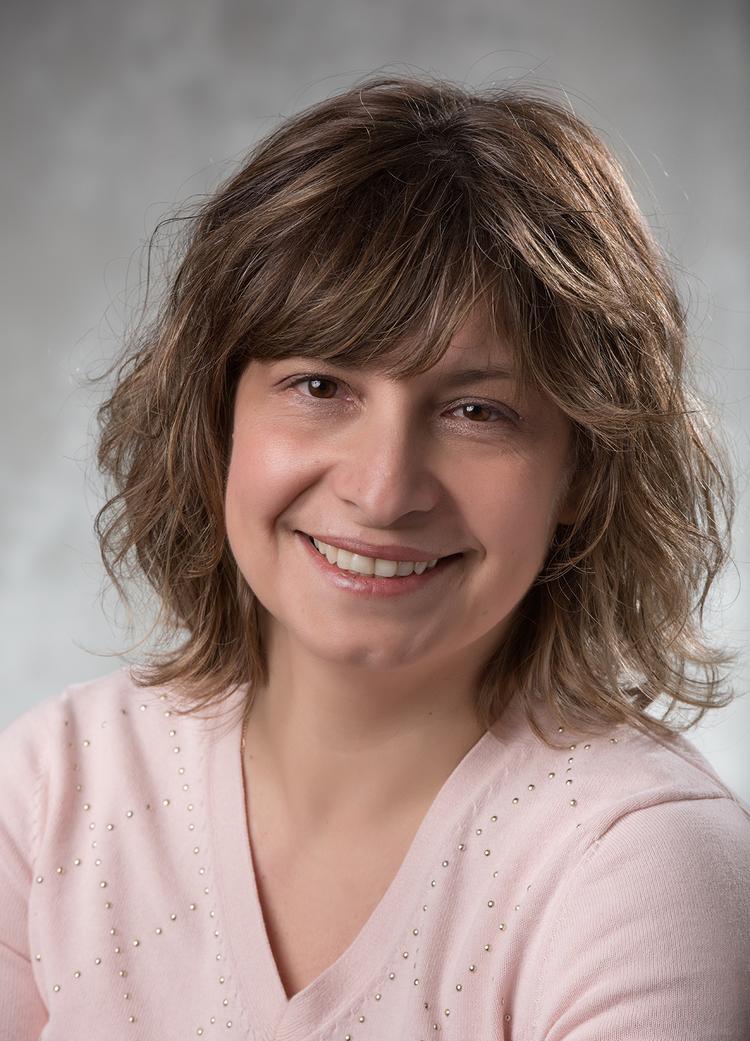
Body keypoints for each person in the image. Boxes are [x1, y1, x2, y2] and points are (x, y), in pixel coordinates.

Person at [2, 72, 749, 1040]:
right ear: (218, 418)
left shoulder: (641, 865)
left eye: (478, 411)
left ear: (582, 474)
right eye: (321, 386)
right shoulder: (52, 791)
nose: (385, 488)